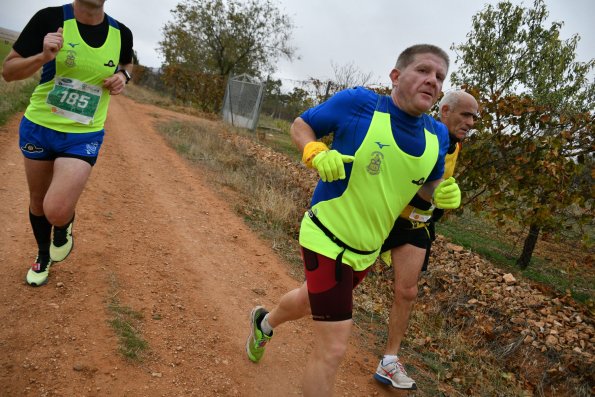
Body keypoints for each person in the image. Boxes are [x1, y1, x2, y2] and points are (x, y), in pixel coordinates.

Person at [245, 44, 462, 396]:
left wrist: (439, 196)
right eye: (423, 70)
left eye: (439, 77)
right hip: (326, 235)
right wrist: (314, 151)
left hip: (367, 249)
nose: (432, 80)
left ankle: (264, 323)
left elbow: (425, 191)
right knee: (332, 348)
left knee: (307, 299)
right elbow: (302, 125)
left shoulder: (437, 136)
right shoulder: (360, 103)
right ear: (395, 76)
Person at [1, 0, 133, 286]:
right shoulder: (48, 19)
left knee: (56, 208)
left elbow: (127, 62)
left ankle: (63, 224)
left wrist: (124, 76)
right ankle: (42, 255)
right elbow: (9, 71)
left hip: (84, 133)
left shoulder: (122, 32)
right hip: (40, 127)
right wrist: (42, 57)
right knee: (38, 200)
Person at [374, 90, 479, 390]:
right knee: (342, 281)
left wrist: (442, 202)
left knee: (407, 292)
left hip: (416, 226)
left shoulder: (455, 144)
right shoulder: (418, 135)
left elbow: (436, 188)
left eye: (474, 117)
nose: (471, 122)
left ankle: (389, 361)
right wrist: (429, 197)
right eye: (466, 115)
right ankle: (272, 320)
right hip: (383, 219)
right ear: (444, 111)